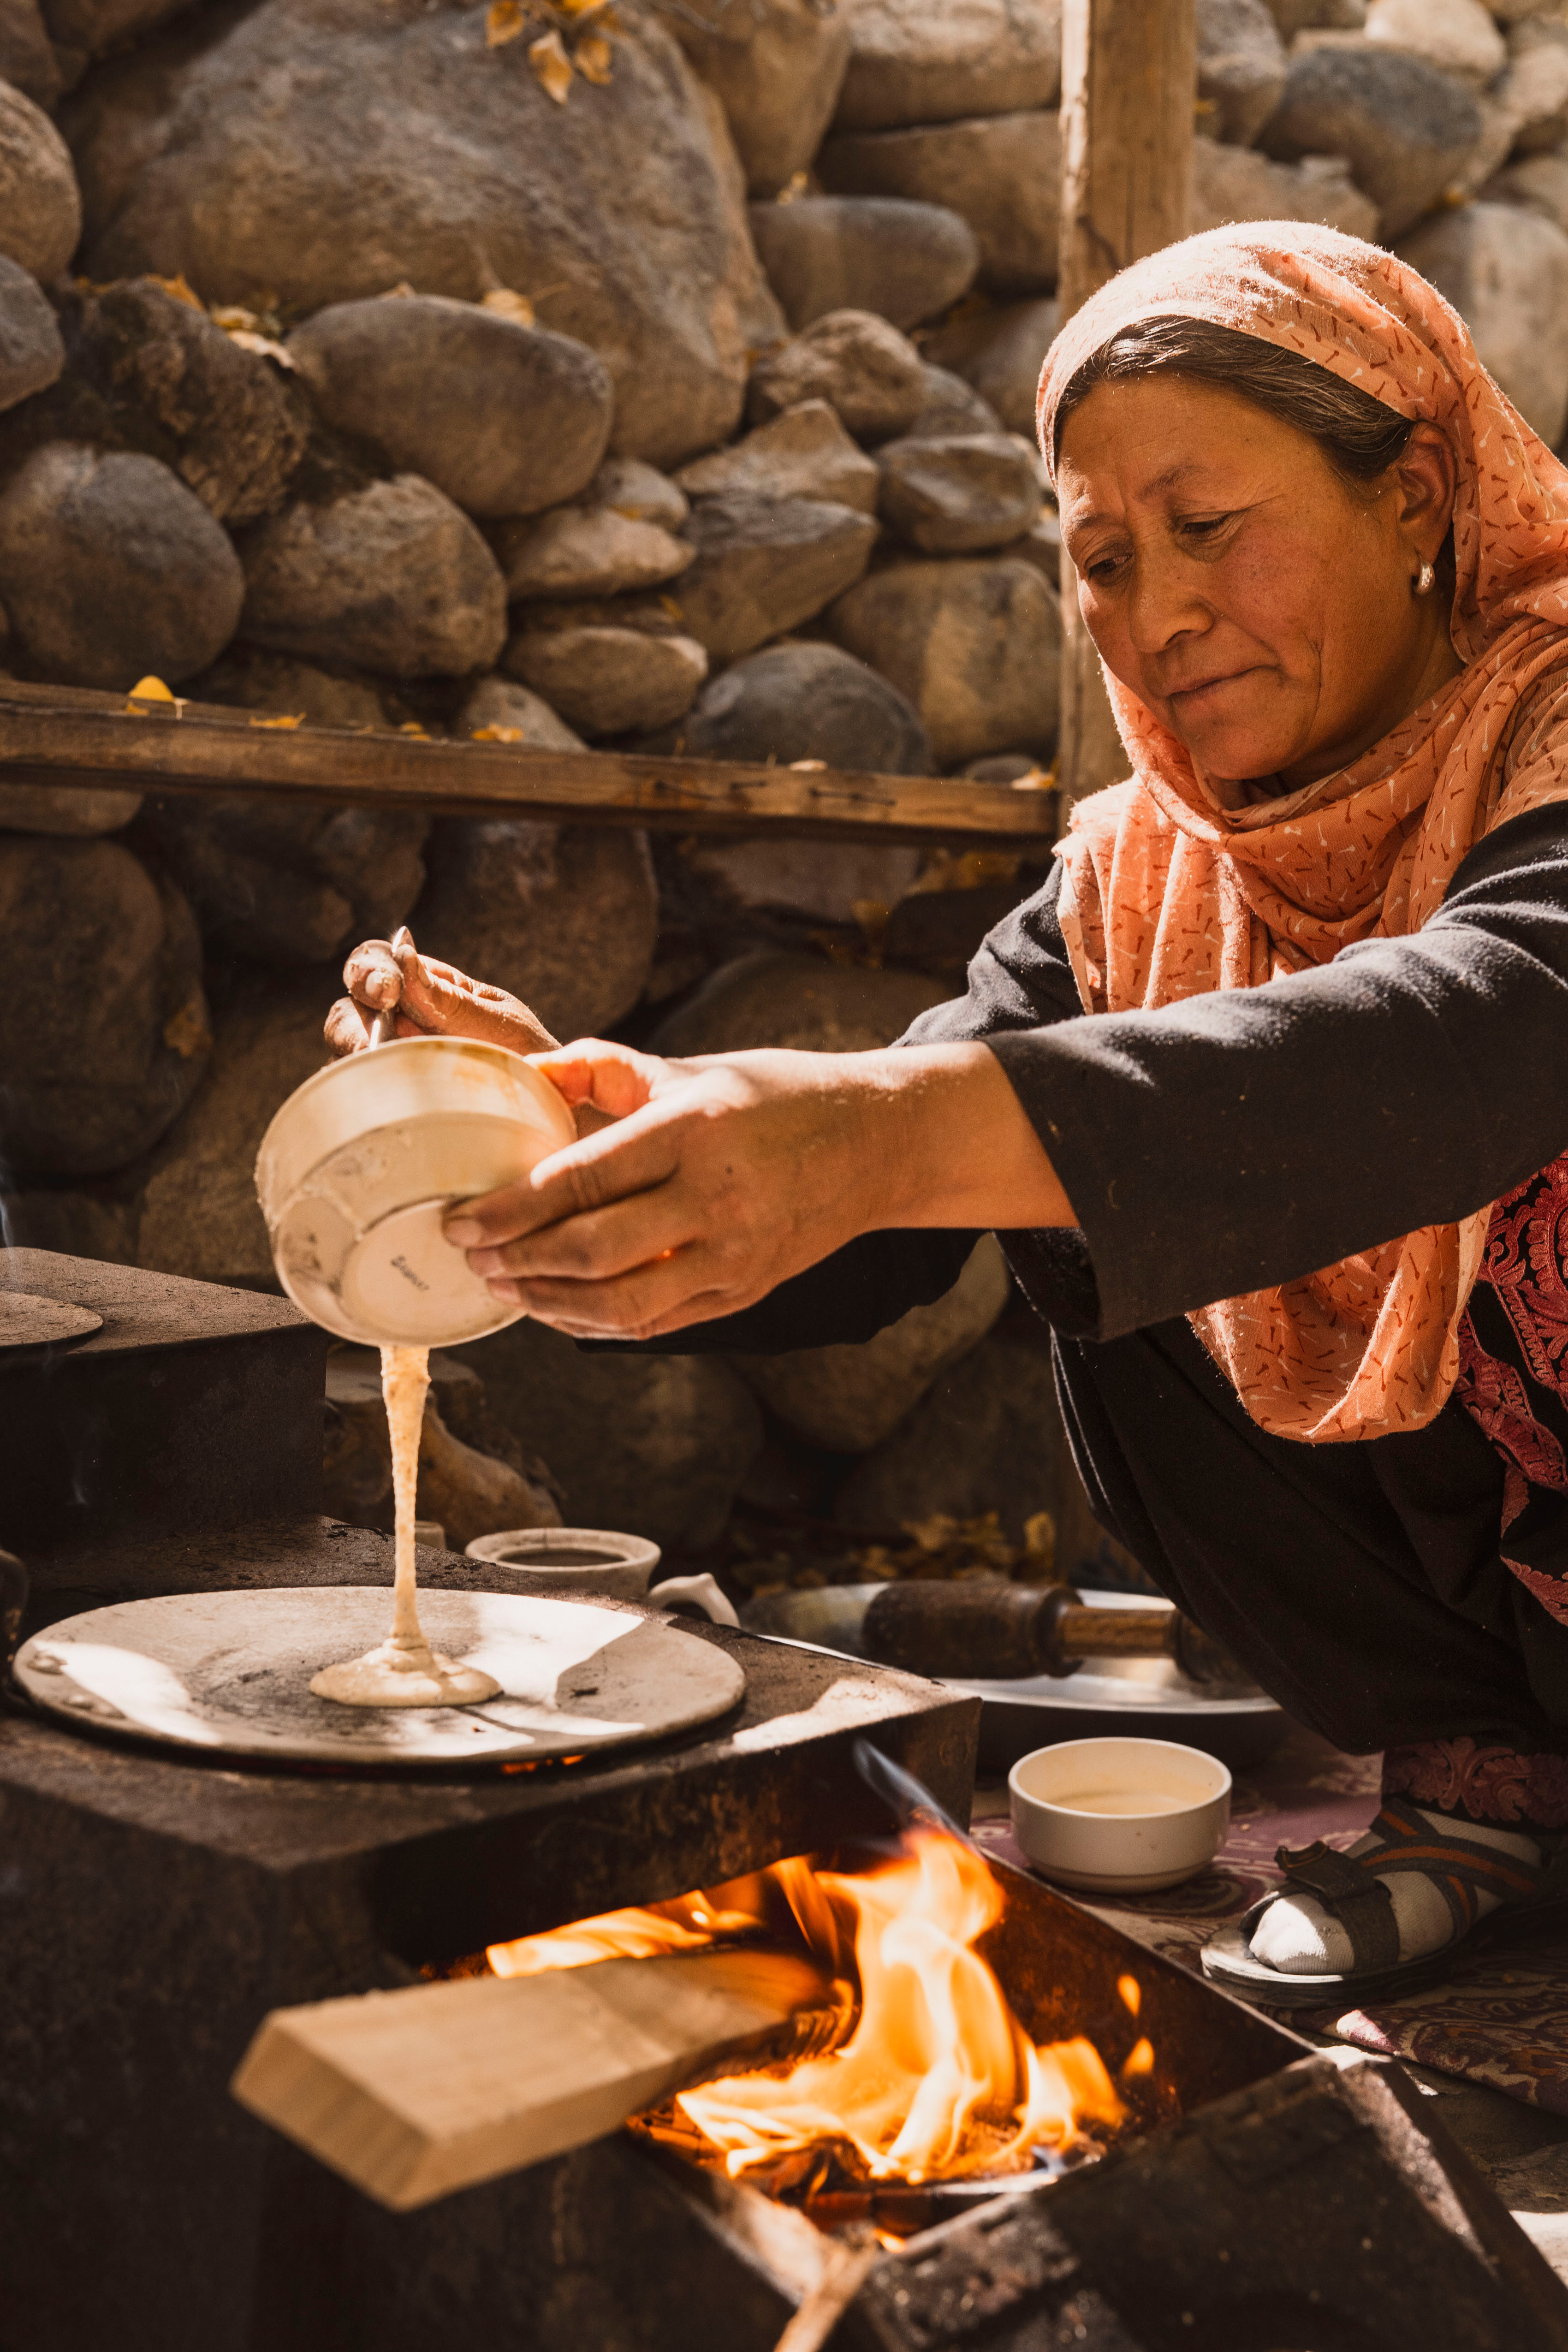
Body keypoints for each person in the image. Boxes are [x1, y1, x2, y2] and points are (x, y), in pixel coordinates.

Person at [328, 225, 1568, 2003]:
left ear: (1418, 493)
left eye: (1208, 528)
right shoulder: (1144, 884)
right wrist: (564, 1143)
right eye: (1105, 561)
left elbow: (1482, 1038)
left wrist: (876, 1124)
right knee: (1079, 1179)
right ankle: (1489, 1782)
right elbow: (872, 1228)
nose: (1156, 619)